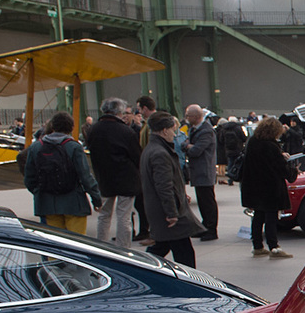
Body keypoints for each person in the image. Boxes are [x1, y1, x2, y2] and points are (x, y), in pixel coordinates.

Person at [139, 112, 203, 266]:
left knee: (162, 246)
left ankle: (140, 267)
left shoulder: (152, 149)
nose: (174, 134)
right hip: (168, 214)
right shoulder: (160, 153)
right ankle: (191, 283)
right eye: (173, 130)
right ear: (165, 130)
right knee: (184, 253)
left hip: (161, 211)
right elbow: (164, 185)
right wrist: (172, 212)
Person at [23, 111, 101, 234]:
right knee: (78, 244)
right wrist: (96, 198)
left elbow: (29, 179)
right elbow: (85, 177)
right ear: (71, 128)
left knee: (55, 244)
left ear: (52, 127)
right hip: (74, 203)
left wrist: (41, 192)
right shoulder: (74, 147)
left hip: (47, 204)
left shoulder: (36, 147)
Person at [238, 116, 296, 258]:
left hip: (253, 186)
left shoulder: (252, 142)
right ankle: (274, 247)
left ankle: (257, 246)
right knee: (271, 217)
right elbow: (280, 168)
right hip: (270, 188)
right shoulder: (271, 146)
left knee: (258, 216)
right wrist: (292, 168)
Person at [88, 97, 142, 247]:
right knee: (124, 216)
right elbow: (136, 155)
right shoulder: (126, 131)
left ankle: (101, 245)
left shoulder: (94, 129)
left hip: (104, 177)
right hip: (126, 177)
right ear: (119, 112)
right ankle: (124, 248)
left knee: (104, 215)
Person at [182, 104, 219, 240]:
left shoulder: (206, 131)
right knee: (203, 201)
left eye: (188, 115)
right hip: (198, 171)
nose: (186, 118)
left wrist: (188, 146)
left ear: (196, 117)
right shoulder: (194, 129)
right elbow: (187, 145)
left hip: (204, 171)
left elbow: (196, 150)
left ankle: (211, 229)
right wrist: (188, 145)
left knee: (207, 201)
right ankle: (205, 226)